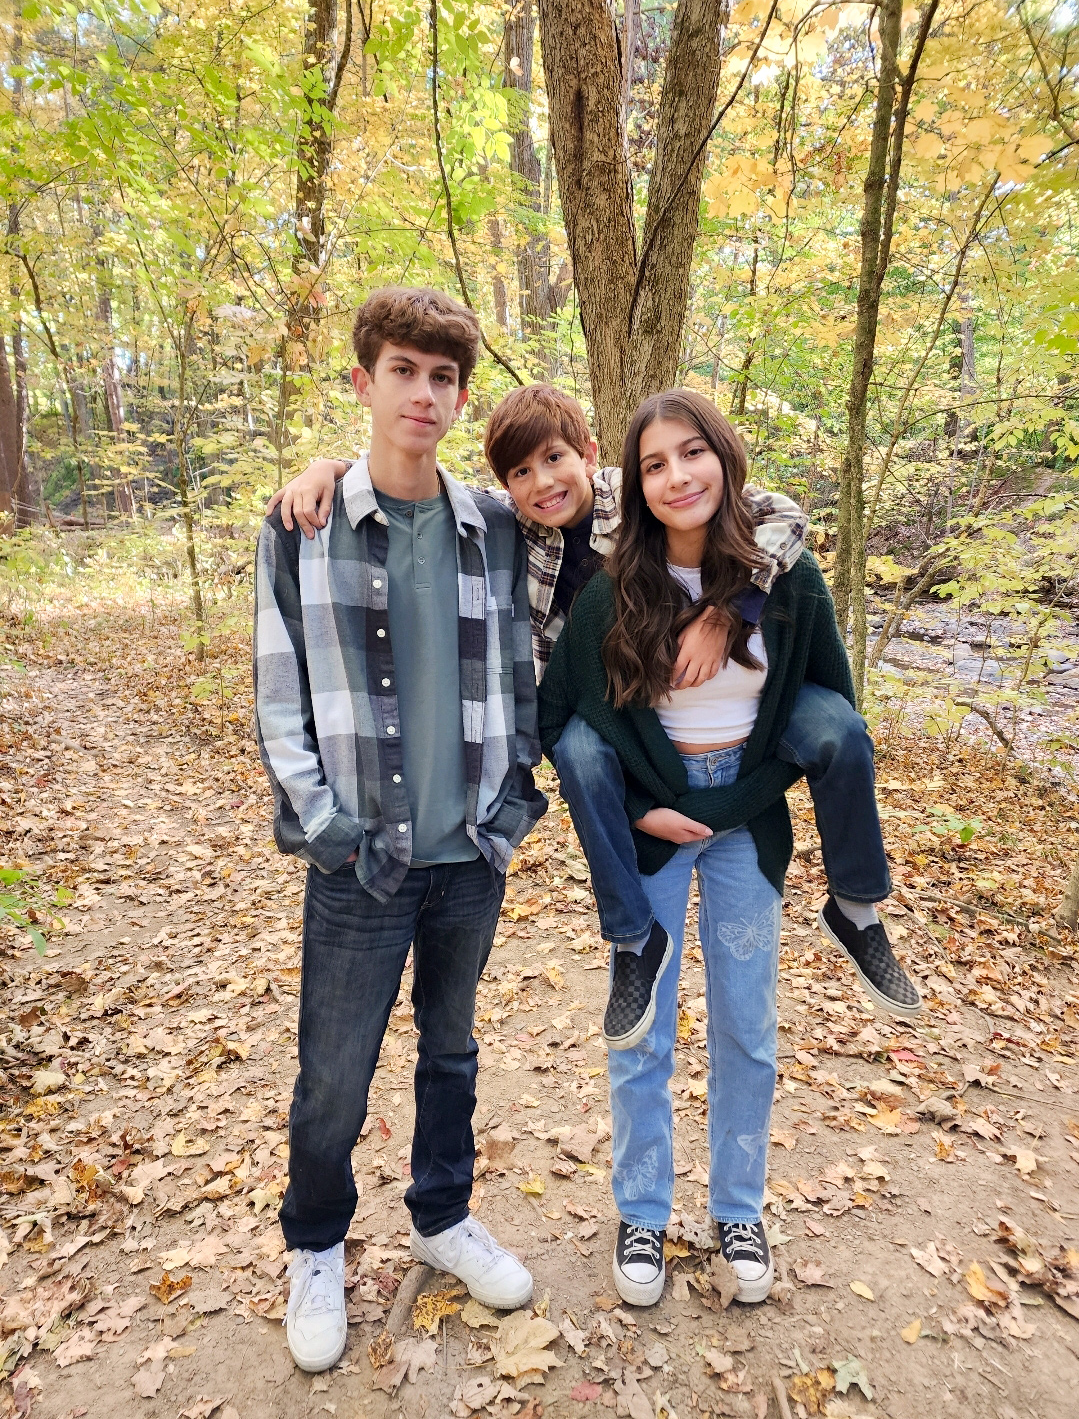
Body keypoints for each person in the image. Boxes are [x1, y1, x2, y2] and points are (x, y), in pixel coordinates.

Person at [269, 388, 921, 1051]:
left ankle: (856, 907)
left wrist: (732, 610)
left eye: (554, 459)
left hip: (706, 692)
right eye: (520, 473)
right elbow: (427, 493)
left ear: (587, 455)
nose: (543, 482)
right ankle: (633, 939)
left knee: (836, 728)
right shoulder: (512, 525)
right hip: (606, 701)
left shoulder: (640, 493)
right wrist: (333, 468)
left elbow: (777, 512)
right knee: (580, 756)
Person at [539, 388, 892, 1307]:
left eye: (691, 453)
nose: (676, 476)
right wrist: (641, 808)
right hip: (654, 823)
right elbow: (574, 719)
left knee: (746, 1024)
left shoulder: (783, 579)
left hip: (748, 821)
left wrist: (741, 798)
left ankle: (738, 1207)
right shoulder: (613, 588)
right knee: (640, 1028)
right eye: (653, 464)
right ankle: (643, 1215)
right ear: (636, 484)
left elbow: (820, 720)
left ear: (724, 458)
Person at [253, 287, 547, 1374]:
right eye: (402, 372)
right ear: (363, 381)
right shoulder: (304, 523)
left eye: (441, 377)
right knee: (333, 1070)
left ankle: (439, 1213)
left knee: (451, 1052)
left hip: (468, 851)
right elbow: (279, 691)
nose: (422, 393)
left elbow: (653, 509)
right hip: (359, 857)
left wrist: (510, 803)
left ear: (459, 394)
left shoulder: (499, 525)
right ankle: (317, 1244)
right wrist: (324, 826)